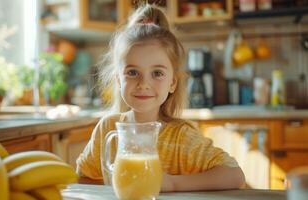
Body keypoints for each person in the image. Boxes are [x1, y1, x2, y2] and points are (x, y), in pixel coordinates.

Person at [76, 4, 245, 192]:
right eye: (132, 72)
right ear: (118, 79)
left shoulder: (181, 137)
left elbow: (234, 175)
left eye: (157, 73)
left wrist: (172, 183)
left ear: (173, 83)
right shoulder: (107, 128)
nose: (143, 84)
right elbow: (83, 178)